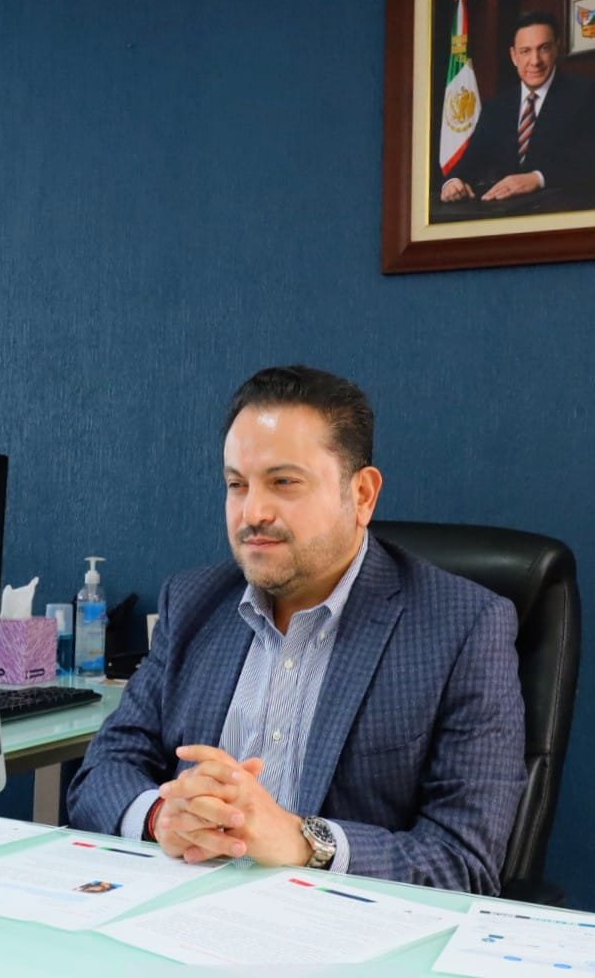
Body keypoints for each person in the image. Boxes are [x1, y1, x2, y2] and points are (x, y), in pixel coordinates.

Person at [67, 366, 525, 895]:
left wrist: (303, 842)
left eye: (284, 483)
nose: (253, 512)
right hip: (182, 906)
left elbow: (464, 862)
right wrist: (163, 817)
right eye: (237, 485)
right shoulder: (193, 602)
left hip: (340, 925)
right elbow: (102, 773)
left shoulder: (463, 627)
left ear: (362, 494)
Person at [441, 10, 595, 205]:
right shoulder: (496, 107)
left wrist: (538, 178)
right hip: (507, 212)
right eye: (525, 51)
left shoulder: (589, 94)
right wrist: (453, 182)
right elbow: (470, 161)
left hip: (564, 209)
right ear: (514, 56)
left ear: (556, 49)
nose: (535, 61)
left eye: (543, 48)